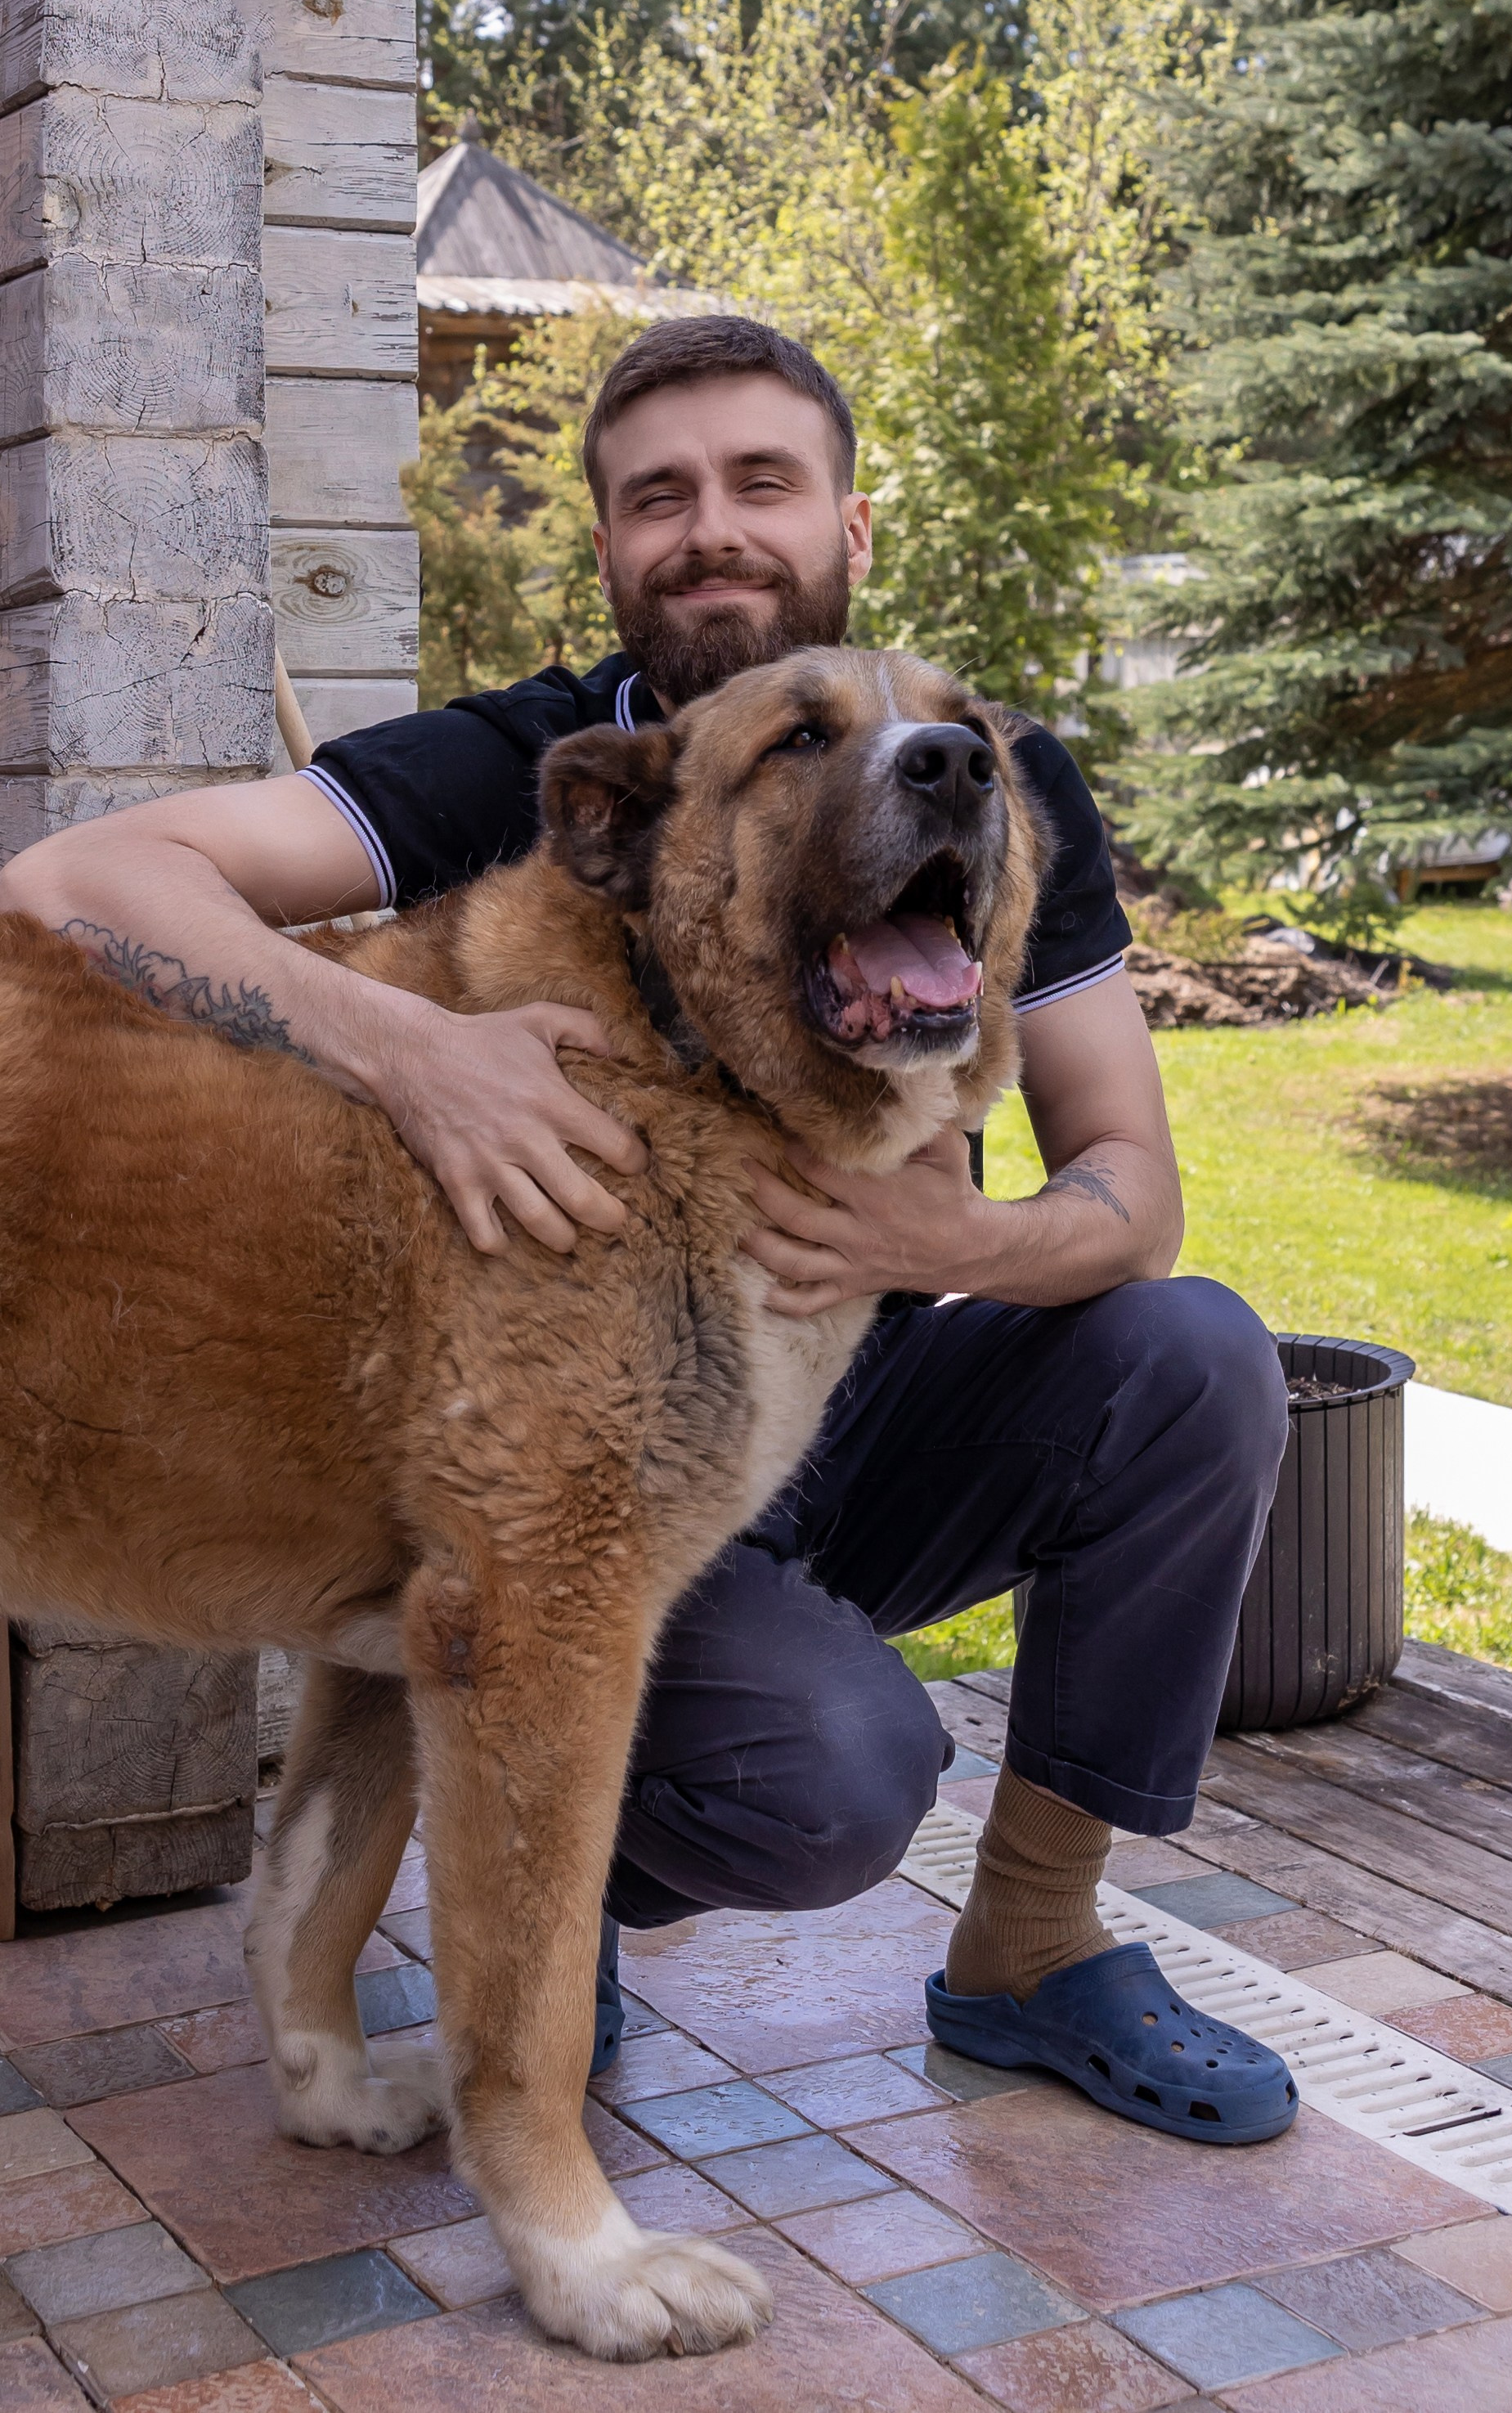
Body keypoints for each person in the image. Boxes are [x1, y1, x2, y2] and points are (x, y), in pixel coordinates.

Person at [0, 317, 1296, 2142]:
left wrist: (929, 1244)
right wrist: (419, 1049)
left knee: (1197, 1359)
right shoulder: (525, 763)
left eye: (761, 482)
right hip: (615, 1434)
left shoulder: (996, 780)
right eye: (657, 497)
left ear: (848, 518)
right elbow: (76, 881)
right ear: (608, 549)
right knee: (830, 1775)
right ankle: (565, 1892)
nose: (713, 529)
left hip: (873, 1391)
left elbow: (1132, 1192)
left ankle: (1032, 1947)